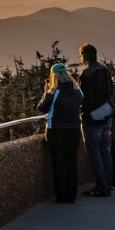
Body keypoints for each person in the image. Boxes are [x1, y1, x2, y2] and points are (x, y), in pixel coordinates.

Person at [37, 63, 84, 204]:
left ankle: (61, 195)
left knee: (58, 163)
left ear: (54, 76)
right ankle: (72, 194)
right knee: (71, 162)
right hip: (74, 130)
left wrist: (45, 92)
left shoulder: (53, 92)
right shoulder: (78, 91)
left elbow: (42, 108)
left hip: (56, 130)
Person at [77, 43, 113, 197]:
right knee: (105, 150)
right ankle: (108, 184)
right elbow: (110, 89)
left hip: (92, 118)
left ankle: (102, 187)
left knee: (94, 153)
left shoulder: (86, 73)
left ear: (84, 55)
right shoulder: (104, 69)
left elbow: (83, 97)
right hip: (106, 114)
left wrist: (83, 112)